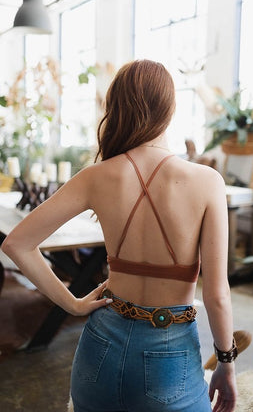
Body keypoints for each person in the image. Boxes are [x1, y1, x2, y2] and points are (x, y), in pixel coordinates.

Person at [2, 59, 237, 412]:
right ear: (170, 110)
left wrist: (74, 304)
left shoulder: (96, 176)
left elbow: (17, 243)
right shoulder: (206, 182)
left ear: (117, 109)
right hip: (168, 348)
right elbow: (217, 296)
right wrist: (226, 363)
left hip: (101, 341)